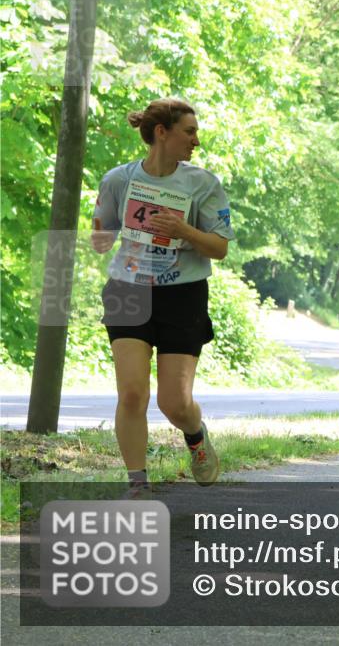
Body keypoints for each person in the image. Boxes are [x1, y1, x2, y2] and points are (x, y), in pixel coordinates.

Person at [90, 98, 234, 497]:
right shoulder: (119, 179)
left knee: (175, 402)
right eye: (189, 131)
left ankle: (196, 436)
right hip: (128, 288)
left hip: (182, 295)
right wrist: (99, 227)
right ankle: (138, 484)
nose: (196, 140)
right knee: (132, 392)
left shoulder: (203, 184)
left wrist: (183, 230)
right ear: (161, 133)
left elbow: (219, 248)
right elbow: (101, 241)